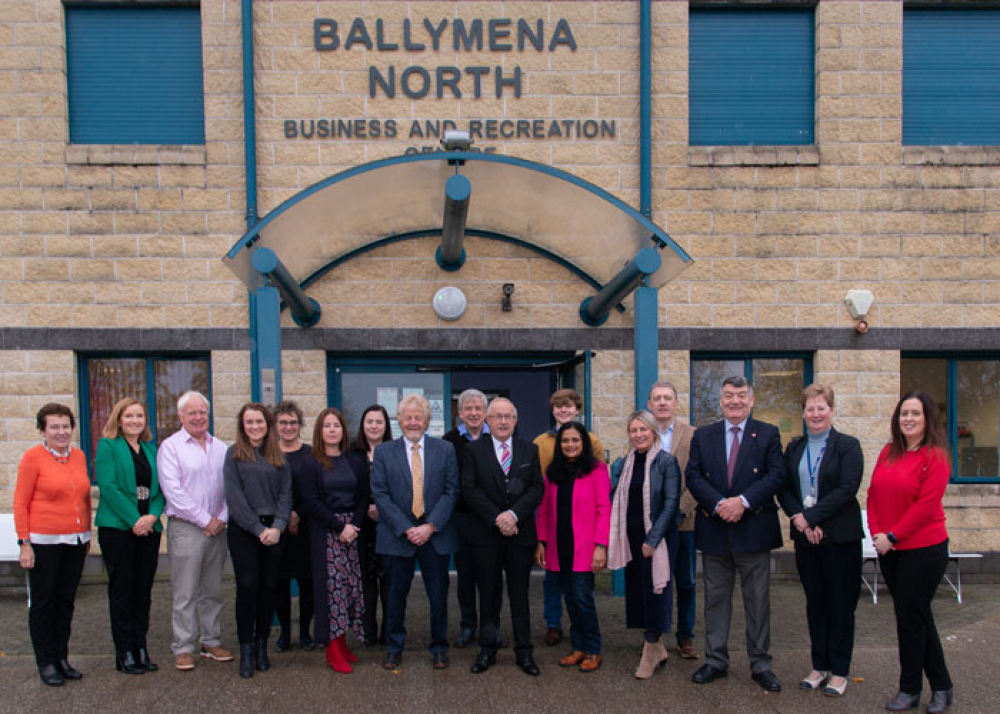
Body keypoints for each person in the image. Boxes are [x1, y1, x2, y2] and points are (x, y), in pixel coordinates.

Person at [686, 376, 785, 692]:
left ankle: (761, 664)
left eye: (741, 396)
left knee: (757, 602)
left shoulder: (768, 434)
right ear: (721, 400)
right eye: (728, 395)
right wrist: (719, 504)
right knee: (715, 600)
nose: (735, 401)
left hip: (753, 529)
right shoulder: (704, 435)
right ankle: (715, 661)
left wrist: (742, 502)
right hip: (715, 529)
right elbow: (693, 476)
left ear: (751, 400)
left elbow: (776, 475)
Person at [868, 392, 954, 714]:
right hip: (889, 549)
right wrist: (877, 532)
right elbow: (874, 493)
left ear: (927, 418)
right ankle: (942, 687)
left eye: (915, 414)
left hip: (924, 550)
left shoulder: (935, 456)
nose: (908, 419)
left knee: (911, 619)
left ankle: (910, 690)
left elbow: (925, 506)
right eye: (904, 413)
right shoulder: (889, 451)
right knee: (916, 617)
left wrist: (892, 535)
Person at [778, 384, 864, 698]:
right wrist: (800, 518)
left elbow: (847, 488)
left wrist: (812, 518)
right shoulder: (795, 448)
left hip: (840, 538)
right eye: (810, 408)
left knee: (841, 605)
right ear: (803, 413)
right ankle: (819, 665)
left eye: (821, 407)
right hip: (806, 540)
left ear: (831, 410)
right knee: (816, 604)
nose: (816, 413)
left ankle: (839, 671)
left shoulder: (848, 446)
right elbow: (784, 489)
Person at [370, 394, 459, 670]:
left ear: (427, 420)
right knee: (395, 595)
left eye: (418, 417)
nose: (412, 422)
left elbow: (451, 490)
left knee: (438, 597)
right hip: (398, 537)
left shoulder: (445, 450)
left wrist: (430, 526)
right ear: (399, 421)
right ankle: (394, 647)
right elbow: (380, 494)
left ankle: (439, 647)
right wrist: (408, 528)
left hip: (435, 536)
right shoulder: (385, 452)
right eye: (407, 417)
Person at [462, 397, 544, 676]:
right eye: (497, 416)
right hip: (485, 535)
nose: (502, 421)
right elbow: (469, 489)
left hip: (520, 535)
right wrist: (498, 518)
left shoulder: (529, 450)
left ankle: (524, 652)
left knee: (520, 595)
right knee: (488, 594)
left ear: (515, 420)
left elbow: (536, 489)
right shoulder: (473, 451)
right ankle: (487, 650)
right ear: (487, 420)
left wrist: (514, 515)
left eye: (508, 416)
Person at [14, 403, 92, 686]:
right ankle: (45, 661)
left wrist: (87, 532)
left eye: (65, 426)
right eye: (54, 427)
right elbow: (21, 502)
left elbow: (83, 497)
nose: (61, 432)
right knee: (44, 603)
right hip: (43, 542)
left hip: (75, 540)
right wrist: (24, 542)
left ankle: (61, 657)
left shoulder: (79, 456)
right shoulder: (32, 458)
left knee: (65, 602)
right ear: (43, 430)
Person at [157, 390, 233, 671]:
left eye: (202, 412)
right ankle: (183, 646)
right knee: (185, 591)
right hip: (188, 528)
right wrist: (205, 520)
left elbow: (230, 486)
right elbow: (173, 491)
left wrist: (221, 518)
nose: (198, 417)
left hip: (218, 527)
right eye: (192, 413)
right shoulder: (171, 447)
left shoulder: (220, 447)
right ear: (181, 416)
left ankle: (210, 640)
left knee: (212, 589)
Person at [94, 397, 165, 675]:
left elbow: (160, 490)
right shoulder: (108, 446)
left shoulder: (149, 449)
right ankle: (124, 652)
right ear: (118, 419)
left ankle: (141, 648)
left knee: (143, 590)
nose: (135, 421)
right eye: (129, 416)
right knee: (122, 590)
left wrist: (151, 517)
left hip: (148, 528)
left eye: (139, 416)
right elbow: (108, 487)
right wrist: (135, 519)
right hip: (118, 529)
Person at [608, 410, 680, 680]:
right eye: (633, 430)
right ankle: (657, 646)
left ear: (653, 431)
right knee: (639, 593)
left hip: (657, 540)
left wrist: (653, 539)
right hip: (632, 539)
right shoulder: (624, 464)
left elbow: (671, 503)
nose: (638, 435)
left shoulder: (666, 462)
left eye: (643, 429)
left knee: (656, 592)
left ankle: (650, 649)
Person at [535, 422, 611, 672]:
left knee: (583, 600)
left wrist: (601, 546)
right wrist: (541, 542)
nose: (570, 445)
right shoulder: (552, 472)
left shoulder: (597, 470)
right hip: (559, 547)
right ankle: (578, 647)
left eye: (575, 440)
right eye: (565, 441)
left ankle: (593, 650)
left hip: (585, 549)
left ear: (584, 443)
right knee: (569, 599)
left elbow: (604, 510)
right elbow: (544, 510)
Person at [223, 403, 292, 678]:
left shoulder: (279, 456)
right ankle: (247, 650)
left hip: (274, 530)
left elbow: (286, 495)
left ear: (267, 424)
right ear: (242, 426)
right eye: (249, 422)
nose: (255, 427)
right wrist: (256, 528)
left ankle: (262, 645)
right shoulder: (233, 455)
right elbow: (234, 497)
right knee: (248, 585)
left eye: (259, 422)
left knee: (268, 587)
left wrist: (277, 527)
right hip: (244, 530)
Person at [300, 407, 368, 673]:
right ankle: (332, 650)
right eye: (327, 426)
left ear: (343, 430)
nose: (332, 430)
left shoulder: (354, 460)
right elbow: (312, 502)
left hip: (352, 534)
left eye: (336, 426)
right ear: (320, 430)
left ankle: (343, 644)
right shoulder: (311, 462)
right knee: (332, 593)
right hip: (327, 534)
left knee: (350, 590)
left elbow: (363, 496)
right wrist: (340, 527)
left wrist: (354, 526)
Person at [647, 380, 699, 659]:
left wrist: (678, 511)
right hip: (651, 526)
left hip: (683, 522)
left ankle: (686, 635)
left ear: (676, 404)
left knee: (686, 582)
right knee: (656, 582)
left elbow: (699, 478)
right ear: (650, 405)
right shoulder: (643, 434)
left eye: (668, 398)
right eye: (657, 398)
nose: (663, 403)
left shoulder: (693, 436)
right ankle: (655, 636)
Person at [442, 388, 494, 649]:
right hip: (462, 519)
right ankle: (467, 625)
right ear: (460, 413)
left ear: (486, 412)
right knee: (465, 577)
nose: (473, 413)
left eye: (478, 408)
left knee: (491, 576)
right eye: (468, 409)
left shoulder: (497, 436)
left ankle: (490, 627)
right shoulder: (449, 441)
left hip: (490, 520)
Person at [273, 400, 315, 652]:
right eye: (283, 423)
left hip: (307, 526)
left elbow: (317, 491)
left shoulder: (311, 454)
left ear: (299, 425)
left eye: (293, 422)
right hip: (277, 528)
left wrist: (298, 514)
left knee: (307, 581)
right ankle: (285, 634)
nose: (288, 427)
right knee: (280, 582)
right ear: (276, 426)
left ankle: (305, 633)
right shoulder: (268, 453)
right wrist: (284, 516)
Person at [353, 404, 392, 646]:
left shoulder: (395, 452)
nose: (374, 426)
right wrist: (363, 510)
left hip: (389, 526)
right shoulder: (352, 454)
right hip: (360, 527)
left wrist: (383, 510)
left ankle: (389, 632)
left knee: (389, 583)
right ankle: (368, 632)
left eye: (379, 421)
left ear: (386, 425)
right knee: (366, 585)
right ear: (363, 425)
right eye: (369, 421)